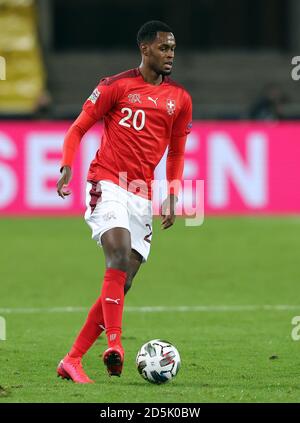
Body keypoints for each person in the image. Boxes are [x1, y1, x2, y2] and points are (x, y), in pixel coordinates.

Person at [56, 20, 192, 383]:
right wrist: (68, 164)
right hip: (108, 182)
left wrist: (174, 191)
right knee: (116, 254)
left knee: (123, 281)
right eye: (164, 48)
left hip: (143, 194)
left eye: (173, 49)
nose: (170, 55)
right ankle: (115, 345)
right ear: (145, 48)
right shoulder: (115, 86)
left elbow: (177, 150)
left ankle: (72, 359)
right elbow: (78, 128)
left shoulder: (179, 98)